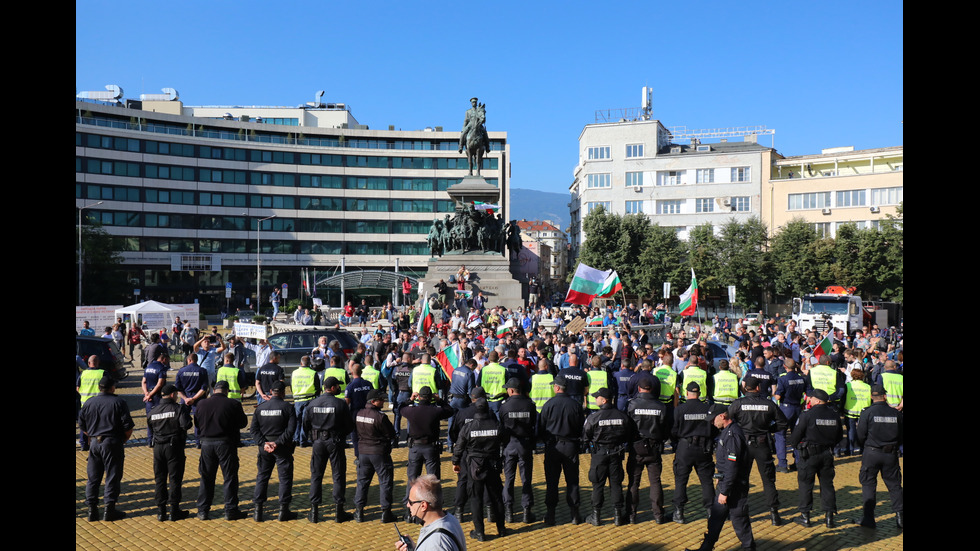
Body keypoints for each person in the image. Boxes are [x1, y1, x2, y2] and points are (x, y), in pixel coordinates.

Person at [684, 410, 755, 551]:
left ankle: (749, 548)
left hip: (734, 487)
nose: (712, 422)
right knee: (715, 519)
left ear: (722, 416)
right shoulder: (726, 432)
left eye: (713, 419)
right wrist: (720, 478)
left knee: (739, 520)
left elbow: (732, 466)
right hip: (726, 483)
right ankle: (706, 548)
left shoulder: (732, 435)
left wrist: (725, 491)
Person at [728, 375, 789, 526]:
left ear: (745, 388)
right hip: (763, 444)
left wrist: (736, 432)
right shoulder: (769, 404)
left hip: (743, 445)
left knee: (742, 479)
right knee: (768, 480)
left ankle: (740, 513)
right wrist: (769, 429)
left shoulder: (738, 404)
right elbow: (783, 422)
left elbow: (727, 419)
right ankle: (774, 515)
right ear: (758, 388)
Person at [78, 376, 134, 521]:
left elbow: (82, 425)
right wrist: (121, 441)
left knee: (93, 478)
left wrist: (92, 436)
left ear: (99, 388)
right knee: (112, 476)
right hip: (112, 442)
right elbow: (128, 427)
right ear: (112, 387)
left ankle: (92, 510)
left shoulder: (89, 402)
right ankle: (109, 509)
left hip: (94, 443)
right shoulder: (119, 402)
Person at [788, 389, 844, 528]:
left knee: (806, 485)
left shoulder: (807, 415)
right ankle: (829, 518)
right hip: (827, 454)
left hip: (809, 455)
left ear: (818, 401)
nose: (809, 399)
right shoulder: (834, 415)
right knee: (827, 485)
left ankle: (805, 516)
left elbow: (796, 435)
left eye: (811, 398)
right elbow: (839, 436)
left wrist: (796, 447)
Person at [453, 397, 506, 542]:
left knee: (476, 499)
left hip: (474, 467)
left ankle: (480, 532)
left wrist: (455, 462)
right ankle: (501, 529)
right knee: (496, 497)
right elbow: (505, 440)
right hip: (493, 465)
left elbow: (459, 446)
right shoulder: (496, 425)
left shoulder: (468, 427)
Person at [194, 380, 249, 520]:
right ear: (227, 390)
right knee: (229, 478)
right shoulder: (233, 404)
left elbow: (197, 423)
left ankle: (202, 510)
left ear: (214, 389)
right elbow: (243, 423)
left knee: (206, 477)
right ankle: (230, 510)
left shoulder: (201, 404)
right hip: (226, 444)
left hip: (206, 444)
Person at [583, 387, 635, 526]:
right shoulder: (622, 416)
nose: (594, 399)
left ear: (604, 400)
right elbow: (629, 432)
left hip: (599, 455)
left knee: (598, 484)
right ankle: (618, 516)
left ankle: (596, 516)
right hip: (616, 454)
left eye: (597, 397)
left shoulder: (593, 417)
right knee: (616, 484)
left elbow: (586, 435)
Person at [305, 376, 355, 523]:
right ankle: (339, 512)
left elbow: (305, 425)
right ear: (332, 388)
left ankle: (314, 512)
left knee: (316, 475)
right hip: (335, 442)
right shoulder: (340, 404)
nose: (340, 388)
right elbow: (349, 426)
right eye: (338, 386)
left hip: (318, 443)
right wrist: (339, 435)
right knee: (338, 475)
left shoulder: (312, 403)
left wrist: (314, 437)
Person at [537, 373, 585, 525]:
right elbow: (581, 427)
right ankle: (575, 514)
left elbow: (541, 428)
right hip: (570, 445)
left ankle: (550, 515)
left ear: (557, 388)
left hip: (553, 447)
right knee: (572, 481)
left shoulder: (548, 405)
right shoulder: (575, 405)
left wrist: (546, 441)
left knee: (552, 481)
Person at [854, 384, 904, 530]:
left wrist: (866, 446)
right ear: (885, 396)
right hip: (891, 454)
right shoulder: (896, 413)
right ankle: (900, 518)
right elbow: (901, 435)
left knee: (869, 484)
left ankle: (869, 518)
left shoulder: (867, 412)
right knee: (895, 485)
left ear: (871, 397)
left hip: (871, 452)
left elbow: (860, 435)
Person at [399, 387, 454, 509]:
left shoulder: (411, 411)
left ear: (419, 397)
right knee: (433, 480)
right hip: (431, 448)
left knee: (412, 479)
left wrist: (410, 400)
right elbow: (450, 411)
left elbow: (399, 408)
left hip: (415, 448)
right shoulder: (435, 411)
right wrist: (439, 400)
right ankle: (435, 506)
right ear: (431, 398)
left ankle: (409, 509)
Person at [250, 381, 297, 521]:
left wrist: (263, 443)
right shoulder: (288, 408)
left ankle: (258, 511)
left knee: (262, 477)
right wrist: (277, 443)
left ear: (271, 391)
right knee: (285, 479)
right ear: (283, 392)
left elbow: (254, 430)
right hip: (282, 448)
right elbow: (291, 430)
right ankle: (283, 511)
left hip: (264, 448)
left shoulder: (260, 408)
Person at [626, 377, 670, 524]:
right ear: (651, 389)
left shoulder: (631, 405)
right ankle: (658, 515)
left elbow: (627, 425)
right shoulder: (661, 406)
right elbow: (666, 428)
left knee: (634, 482)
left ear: (639, 389)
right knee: (655, 482)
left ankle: (631, 515)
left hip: (636, 447)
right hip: (654, 447)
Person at [671, 383, 715, 525]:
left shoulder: (680, 409)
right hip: (704, 448)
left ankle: (679, 512)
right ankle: (711, 512)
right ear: (700, 392)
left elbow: (674, 430)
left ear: (686, 392)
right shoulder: (708, 409)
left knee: (681, 480)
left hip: (685, 448)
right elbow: (714, 429)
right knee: (707, 481)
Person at [147, 383, 193, 521]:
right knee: (174, 479)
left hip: (157, 448)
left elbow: (150, 425)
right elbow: (186, 425)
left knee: (159, 479)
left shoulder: (153, 411)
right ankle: (174, 511)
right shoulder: (177, 409)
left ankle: (161, 512)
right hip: (174, 447)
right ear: (173, 395)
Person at [354, 389, 397, 523]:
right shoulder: (380, 416)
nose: (383, 401)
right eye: (381, 400)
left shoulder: (359, 414)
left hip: (363, 453)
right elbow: (390, 434)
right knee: (385, 482)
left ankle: (359, 512)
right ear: (373, 401)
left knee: (362, 482)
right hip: (379, 453)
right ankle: (386, 513)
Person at [498, 377, 537, 523]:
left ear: (511, 390)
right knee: (526, 479)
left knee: (509, 479)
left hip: (509, 445)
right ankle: (527, 512)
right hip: (525, 445)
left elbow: (501, 426)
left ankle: (509, 512)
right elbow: (534, 424)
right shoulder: (529, 405)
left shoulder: (504, 407)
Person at [396, 474, 467, 551]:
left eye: (410, 502)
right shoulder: (450, 518)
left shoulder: (436, 544)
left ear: (423, 505)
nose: (408, 505)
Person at [291, 355, 321, 448]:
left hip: (297, 399)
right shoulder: (313, 373)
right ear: (310, 364)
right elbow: (317, 387)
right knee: (305, 421)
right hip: (309, 399)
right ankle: (303, 441)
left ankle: (295, 439)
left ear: (301, 363)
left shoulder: (294, 373)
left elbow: (291, 386)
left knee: (297, 420)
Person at [142, 351, 169, 446]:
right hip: (157, 396)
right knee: (160, 418)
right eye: (167, 361)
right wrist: (151, 395)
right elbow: (160, 384)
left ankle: (150, 441)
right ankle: (159, 440)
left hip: (149, 396)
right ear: (164, 359)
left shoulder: (148, 367)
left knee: (149, 418)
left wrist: (146, 394)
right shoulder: (162, 368)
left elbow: (144, 381)